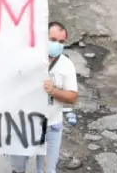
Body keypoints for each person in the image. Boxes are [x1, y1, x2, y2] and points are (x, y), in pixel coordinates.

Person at [10, 22, 78, 173]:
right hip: (24, 125)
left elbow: (72, 97)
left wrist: (54, 91)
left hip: (51, 127)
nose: (57, 45)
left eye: (61, 42)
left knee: (48, 170)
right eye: (52, 39)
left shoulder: (66, 65)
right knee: (18, 167)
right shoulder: (25, 59)